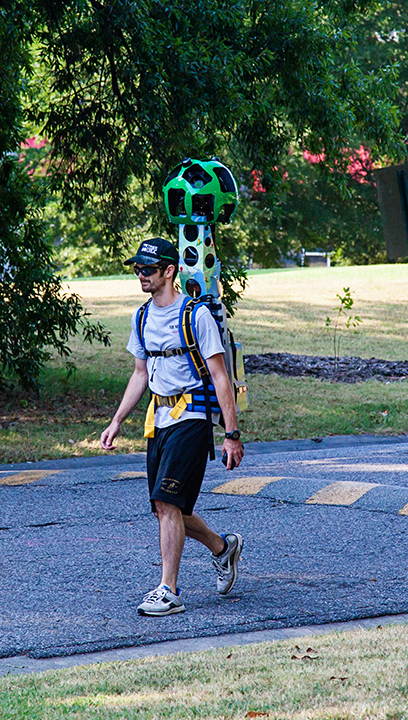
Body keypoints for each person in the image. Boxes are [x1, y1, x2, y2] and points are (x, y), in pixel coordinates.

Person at [99, 237, 245, 617]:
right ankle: (222, 547)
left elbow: (220, 376)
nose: (140, 275)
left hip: (192, 417)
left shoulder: (196, 315)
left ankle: (169, 590)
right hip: (159, 418)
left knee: (167, 503)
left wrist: (231, 434)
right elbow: (139, 374)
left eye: (148, 269)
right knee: (166, 508)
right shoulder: (141, 317)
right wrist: (116, 422)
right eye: (137, 269)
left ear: (169, 271)